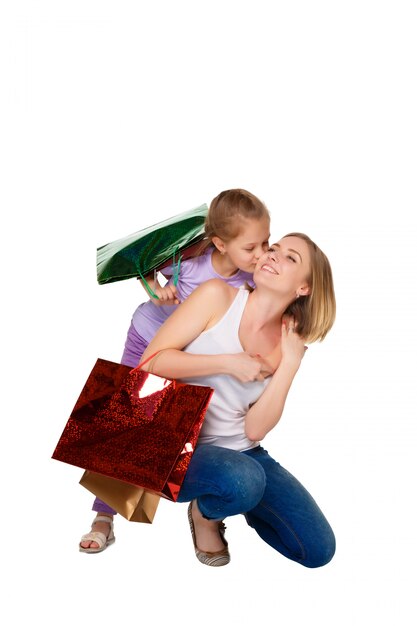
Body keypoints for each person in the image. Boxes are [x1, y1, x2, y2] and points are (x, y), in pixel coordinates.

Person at [79, 188, 271, 552]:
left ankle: (206, 511)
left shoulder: (249, 281)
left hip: (186, 357)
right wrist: (155, 288)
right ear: (220, 243)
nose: (261, 254)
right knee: (123, 423)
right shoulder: (192, 257)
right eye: (251, 248)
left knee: (181, 429)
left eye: (266, 243)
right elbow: (145, 265)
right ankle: (103, 516)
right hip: (147, 337)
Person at [139, 233, 336, 568]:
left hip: (243, 454)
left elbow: (255, 429)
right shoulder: (217, 297)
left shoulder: (289, 341)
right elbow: (150, 363)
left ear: (304, 288)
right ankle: (207, 515)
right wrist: (230, 362)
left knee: (318, 550)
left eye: (290, 258)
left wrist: (290, 362)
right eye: (274, 249)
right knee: (244, 479)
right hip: (174, 446)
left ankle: (225, 499)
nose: (273, 255)